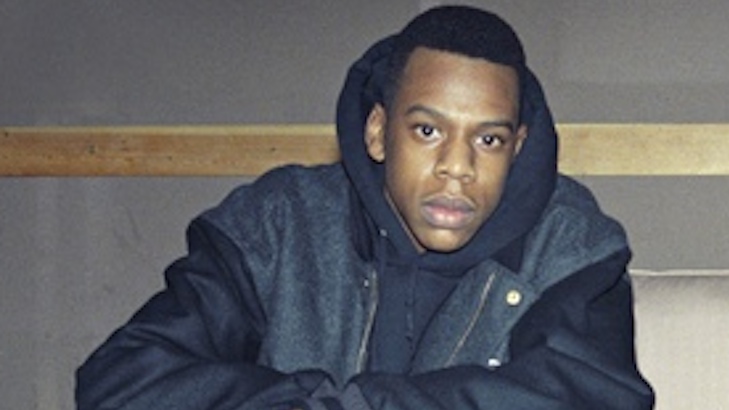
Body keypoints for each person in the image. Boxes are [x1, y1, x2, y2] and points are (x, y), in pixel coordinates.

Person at [76, 5, 654, 410]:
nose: (458, 166)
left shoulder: (568, 247)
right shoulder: (281, 224)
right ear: (378, 132)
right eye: (428, 130)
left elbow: (594, 398)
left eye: (488, 139)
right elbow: (123, 382)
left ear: (518, 147)